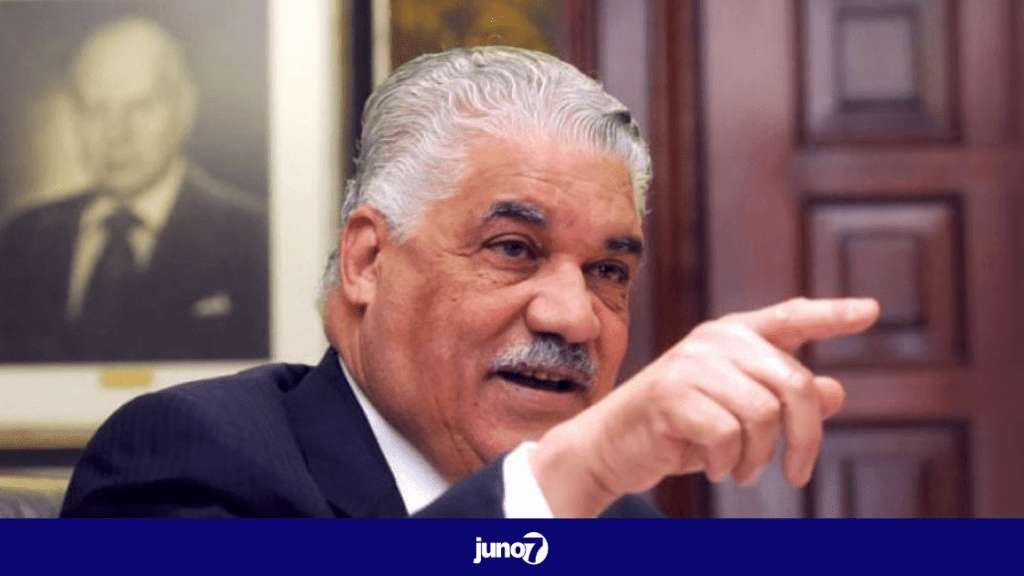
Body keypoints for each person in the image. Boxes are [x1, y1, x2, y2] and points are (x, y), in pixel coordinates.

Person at [61, 46, 879, 518]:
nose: (574, 317)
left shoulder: (621, 520)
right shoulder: (188, 458)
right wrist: (562, 480)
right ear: (368, 261)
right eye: (514, 249)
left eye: (608, 271)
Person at [0, 17, 267, 363]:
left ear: (184, 109)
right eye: (96, 110)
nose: (116, 134)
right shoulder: (22, 240)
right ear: (74, 117)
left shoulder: (253, 237)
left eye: (140, 107)